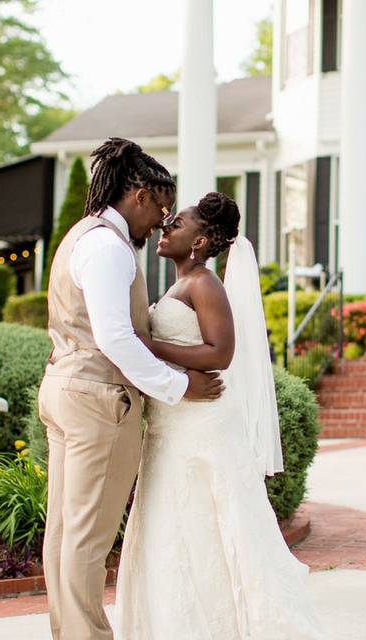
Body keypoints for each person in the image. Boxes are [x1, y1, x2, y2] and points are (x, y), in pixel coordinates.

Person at [114, 192, 324, 639]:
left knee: (206, 522)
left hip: (202, 422)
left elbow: (221, 352)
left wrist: (148, 347)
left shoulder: (204, 284)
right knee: (176, 525)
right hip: (175, 421)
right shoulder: (179, 284)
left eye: (179, 222)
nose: (166, 226)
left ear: (201, 240)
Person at [37, 138, 223, 640]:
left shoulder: (82, 235)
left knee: (65, 533)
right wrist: (178, 386)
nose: (160, 223)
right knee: (87, 538)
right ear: (139, 195)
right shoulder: (108, 247)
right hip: (98, 399)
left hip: (65, 387)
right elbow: (115, 336)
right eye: (160, 209)